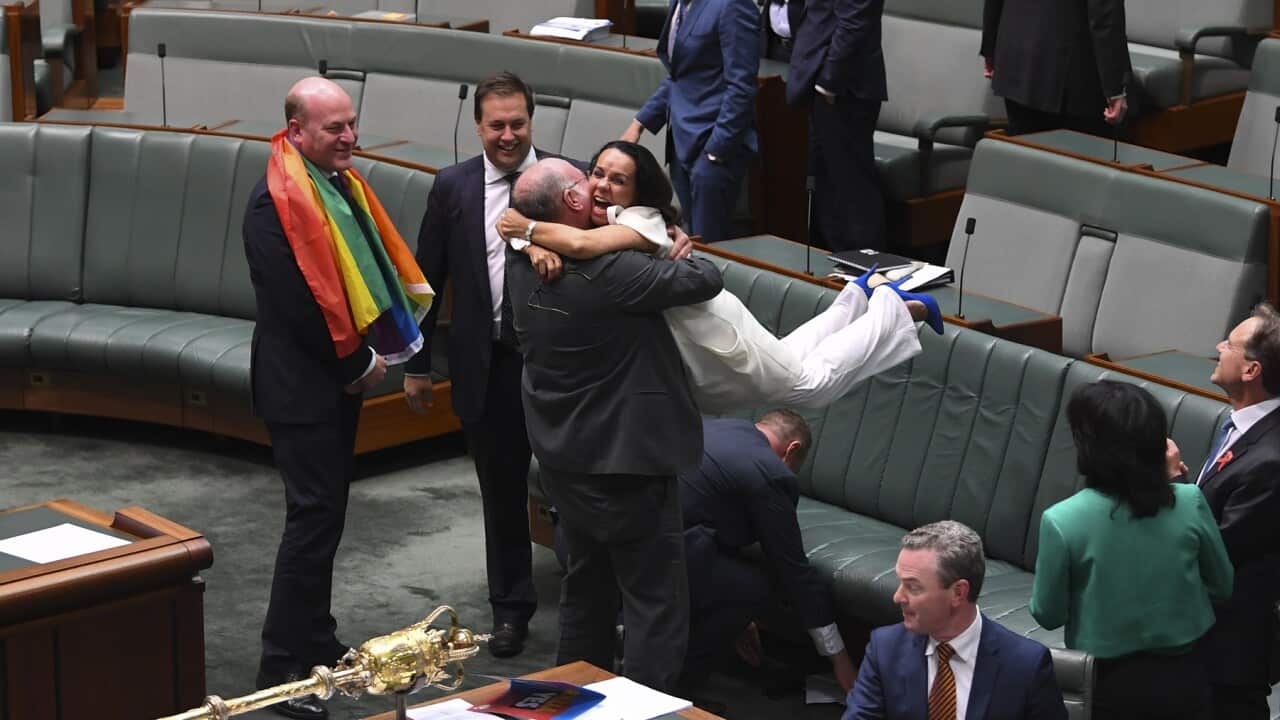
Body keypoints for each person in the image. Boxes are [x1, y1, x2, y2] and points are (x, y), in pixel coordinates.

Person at [244, 77, 433, 720]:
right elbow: (298, 305)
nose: (351, 137)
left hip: (334, 384)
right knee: (311, 521)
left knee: (327, 520)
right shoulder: (275, 204)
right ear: (296, 131)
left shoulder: (339, 184)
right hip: (302, 389)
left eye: (353, 124)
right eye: (335, 128)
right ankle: (281, 666)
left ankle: (316, 640)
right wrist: (357, 361)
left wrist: (364, 357)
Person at [498, 140, 939, 414]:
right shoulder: (606, 214)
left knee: (808, 386)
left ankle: (895, 306)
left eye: (617, 179)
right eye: (597, 174)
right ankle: (855, 299)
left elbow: (580, 246)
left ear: (639, 191)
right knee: (791, 356)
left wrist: (526, 231)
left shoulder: (644, 221)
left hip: (716, 327)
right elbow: (535, 218)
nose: (601, 185)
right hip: (703, 334)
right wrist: (525, 239)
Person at [507, 157, 725, 692]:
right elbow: (705, 277)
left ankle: (569, 698)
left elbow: (513, 235)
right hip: (626, 468)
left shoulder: (522, 261)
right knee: (655, 605)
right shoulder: (612, 273)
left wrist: (534, 237)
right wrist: (656, 243)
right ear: (575, 204)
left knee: (586, 590)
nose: (599, 186)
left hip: (562, 460)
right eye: (589, 181)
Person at [403, 72, 569, 658]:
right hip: (489, 364)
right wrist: (417, 363)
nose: (507, 135)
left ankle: (594, 608)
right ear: (478, 125)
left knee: (574, 491)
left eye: (517, 124)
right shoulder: (452, 187)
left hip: (557, 370)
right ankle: (511, 611)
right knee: (501, 496)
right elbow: (426, 281)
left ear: (532, 121)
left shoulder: (564, 181)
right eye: (496, 125)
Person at [1030, 381, 1234, 720]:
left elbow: (1047, 613)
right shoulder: (1189, 500)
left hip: (1107, 686)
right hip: (1190, 676)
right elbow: (1222, 585)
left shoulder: (1061, 520)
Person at [679, 411, 857, 694]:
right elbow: (794, 570)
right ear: (792, 450)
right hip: (669, 555)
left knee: (729, 579)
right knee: (755, 589)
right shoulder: (770, 472)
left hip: (625, 532)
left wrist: (739, 622)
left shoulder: (711, 427)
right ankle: (679, 688)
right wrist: (840, 658)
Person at [843, 521, 1067, 720]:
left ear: (958, 593)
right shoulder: (885, 649)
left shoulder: (1025, 665)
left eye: (912, 587)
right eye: (900, 582)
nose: (898, 596)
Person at [1197, 304, 1280, 720]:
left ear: (1252, 371)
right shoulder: (1241, 425)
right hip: (1208, 642)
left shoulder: (1271, 459)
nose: (1218, 347)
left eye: (1228, 345)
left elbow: (1219, 550)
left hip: (1231, 651)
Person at [623, 0, 759, 242]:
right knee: (693, 242)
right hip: (681, 141)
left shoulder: (733, 5)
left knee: (712, 248)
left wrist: (717, 151)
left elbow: (742, 86)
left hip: (713, 147)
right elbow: (679, 76)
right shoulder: (680, 3)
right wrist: (639, 123)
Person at [787, 0, 887, 251]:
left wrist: (828, 82)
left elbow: (856, 20)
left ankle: (866, 272)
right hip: (823, 83)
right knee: (826, 187)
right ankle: (835, 268)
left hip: (845, 90)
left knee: (852, 193)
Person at [980, 0, 1131, 136]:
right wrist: (1115, 87)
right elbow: (1104, 13)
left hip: (1015, 61)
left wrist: (990, 48)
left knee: (1025, 159)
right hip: (1067, 76)